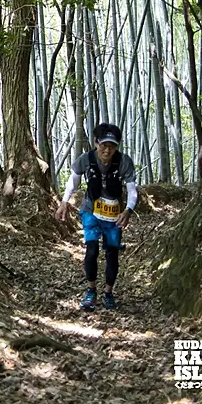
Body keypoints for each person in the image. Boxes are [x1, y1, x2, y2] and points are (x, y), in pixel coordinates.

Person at [55, 122, 138, 311]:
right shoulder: (86, 159)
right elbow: (73, 181)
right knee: (91, 249)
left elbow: (132, 189)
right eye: (103, 145)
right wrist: (64, 202)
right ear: (95, 143)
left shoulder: (124, 162)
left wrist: (128, 210)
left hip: (114, 214)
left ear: (117, 146)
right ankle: (91, 291)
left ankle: (108, 292)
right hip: (91, 210)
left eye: (112, 146)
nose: (107, 150)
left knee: (112, 253)